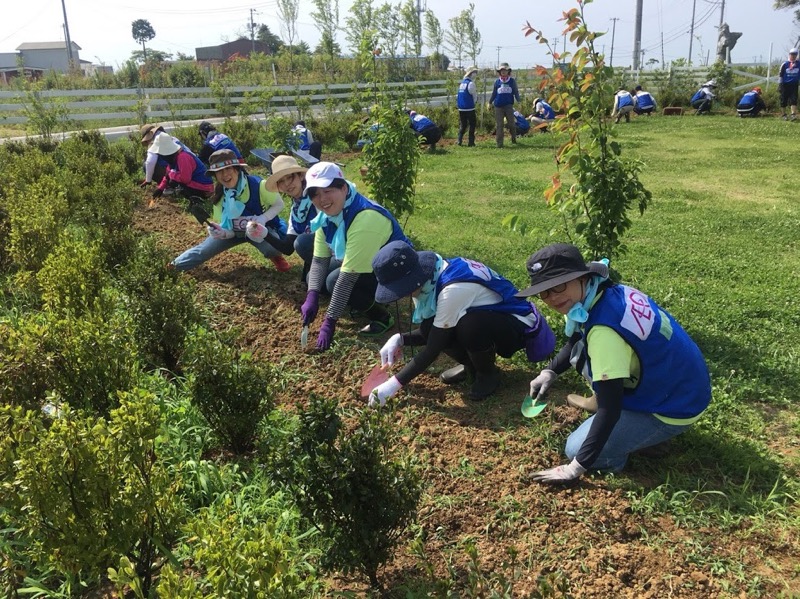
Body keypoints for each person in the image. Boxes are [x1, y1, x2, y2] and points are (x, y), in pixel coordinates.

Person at [516, 243, 711, 483]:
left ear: (581, 277)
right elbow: (578, 336)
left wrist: (576, 467)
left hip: (675, 405)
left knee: (574, 449)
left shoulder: (603, 333)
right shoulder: (605, 293)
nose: (552, 297)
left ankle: (622, 452)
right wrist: (550, 371)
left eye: (558, 286)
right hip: (679, 381)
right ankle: (637, 432)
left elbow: (610, 410)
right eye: (543, 291)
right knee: (589, 355)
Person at [366, 241, 555, 405]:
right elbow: (430, 331)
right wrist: (399, 339)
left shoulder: (452, 290)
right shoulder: (429, 280)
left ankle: (488, 374)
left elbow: (433, 347)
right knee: (430, 325)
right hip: (490, 316)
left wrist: (392, 386)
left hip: (516, 325)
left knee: (469, 325)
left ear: (412, 280)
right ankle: (471, 366)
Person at [299, 162, 411, 350]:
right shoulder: (327, 215)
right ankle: (360, 301)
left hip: (394, 274)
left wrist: (329, 322)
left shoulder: (365, 217)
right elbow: (319, 260)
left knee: (334, 282)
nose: (322, 199)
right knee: (314, 279)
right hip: (365, 262)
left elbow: (347, 279)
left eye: (327, 191)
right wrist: (311, 297)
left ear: (343, 188)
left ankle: (381, 316)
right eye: (316, 194)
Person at [170, 149, 291, 273]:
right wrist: (222, 233)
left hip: (259, 230)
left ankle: (276, 257)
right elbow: (226, 226)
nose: (225, 175)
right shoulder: (219, 197)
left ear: (236, 169)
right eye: (219, 172)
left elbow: (279, 204)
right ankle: (173, 266)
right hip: (234, 232)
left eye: (228, 169)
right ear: (215, 176)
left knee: (272, 248)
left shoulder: (259, 185)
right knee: (204, 250)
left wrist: (263, 218)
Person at [264, 154, 340, 283]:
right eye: (281, 181)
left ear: (300, 176)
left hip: (340, 250)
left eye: (289, 177)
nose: (287, 184)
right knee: (312, 281)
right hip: (324, 252)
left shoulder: (318, 197)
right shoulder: (296, 210)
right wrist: (264, 234)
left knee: (303, 242)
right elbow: (288, 248)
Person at [149, 134, 214, 201]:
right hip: (196, 184)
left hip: (205, 189)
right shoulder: (173, 159)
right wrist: (160, 188)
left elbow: (185, 179)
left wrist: (172, 175)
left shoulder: (183, 157)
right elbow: (167, 174)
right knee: (174, 180)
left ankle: (197, 200)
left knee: (176, 184)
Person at [139, 124, 186, 189]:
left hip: (174, 173)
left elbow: (150, 162)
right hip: (184, 170)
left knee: (145, 164)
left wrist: (148, 180)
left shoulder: (155, 142)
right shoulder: (171, 138)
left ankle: (168, 186)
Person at [489, 63, 520, 148]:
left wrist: (519, 101)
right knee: (500, 125)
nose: (503, 72)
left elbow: (516, 92)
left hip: (508, 105)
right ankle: (499, 143)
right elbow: (494, 93)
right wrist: (489, 102)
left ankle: (514, 138)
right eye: (501, 70)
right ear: (499, 72)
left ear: (508, 71)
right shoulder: (497, 82)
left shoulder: (512, 81)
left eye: (505, 70)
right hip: (498, 106)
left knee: (511, 124)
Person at [457, 66, 479, 146]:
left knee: (463, 125)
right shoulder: (471, 83)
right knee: (472, 124)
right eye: (475, 72)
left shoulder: (462, 83)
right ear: (471, 73)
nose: (475, 74)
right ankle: (471, 141)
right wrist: (474, 102)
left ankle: (459, 140)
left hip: (461, 108)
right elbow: (474, 95)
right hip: (469, 108)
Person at [778, 48, 800, 121]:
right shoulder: (785, 64)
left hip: (794, 85)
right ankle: (784, 114)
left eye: (794, 54)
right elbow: (780, 75)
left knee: (794, 99)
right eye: (791, 54)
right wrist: (780, 85)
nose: (793, 56)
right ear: (789, 55)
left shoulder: (798, 64)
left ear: (797, 55)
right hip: (785, 85)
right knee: (783, 100)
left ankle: (793, 115)